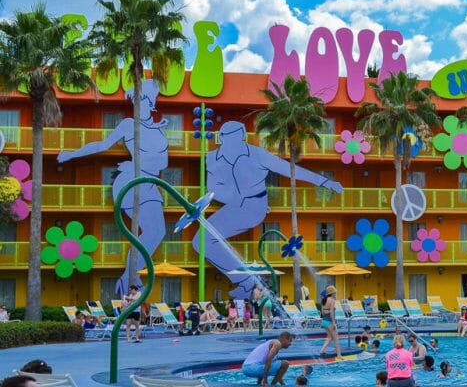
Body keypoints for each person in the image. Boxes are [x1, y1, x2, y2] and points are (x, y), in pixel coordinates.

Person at [194, 121, 342, 299]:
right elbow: (215, 187)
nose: (233, 146)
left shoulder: (257, 155)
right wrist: (240, 198)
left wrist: (326, 182)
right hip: (236, 204)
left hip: (254, 207)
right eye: (228, 140)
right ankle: (246, 281)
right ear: (222, 140)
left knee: (204, 238)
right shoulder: (212, 158)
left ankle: (247, 281)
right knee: (200, 241)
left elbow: (290, 170)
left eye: (237, 140)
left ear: (242, 137)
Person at [58, 80, 169, 295]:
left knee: (158, 231)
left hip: (150, 183)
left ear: (151, 102)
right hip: (130, 182)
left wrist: (154, 136)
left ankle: (128, 278)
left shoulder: (158, 128)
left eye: (143, 100)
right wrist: (71, 154)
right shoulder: (129, 124)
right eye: (135, 101)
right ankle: (131, 278)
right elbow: (102, 144)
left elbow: (162, 162)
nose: (138, 105)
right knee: (151, 231)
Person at [319, 285, 342, 359]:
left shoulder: (323, 300)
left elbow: (322, 312)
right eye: (334, 292)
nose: (335, 294)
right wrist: (333, 323)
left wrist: (326, 311)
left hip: (324, 321)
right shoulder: (332, 300)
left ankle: (322, 350)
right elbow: (332, 312)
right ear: (332, 293)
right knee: (336, 339)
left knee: (329, 337)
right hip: (329, 322)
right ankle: (338, 355)